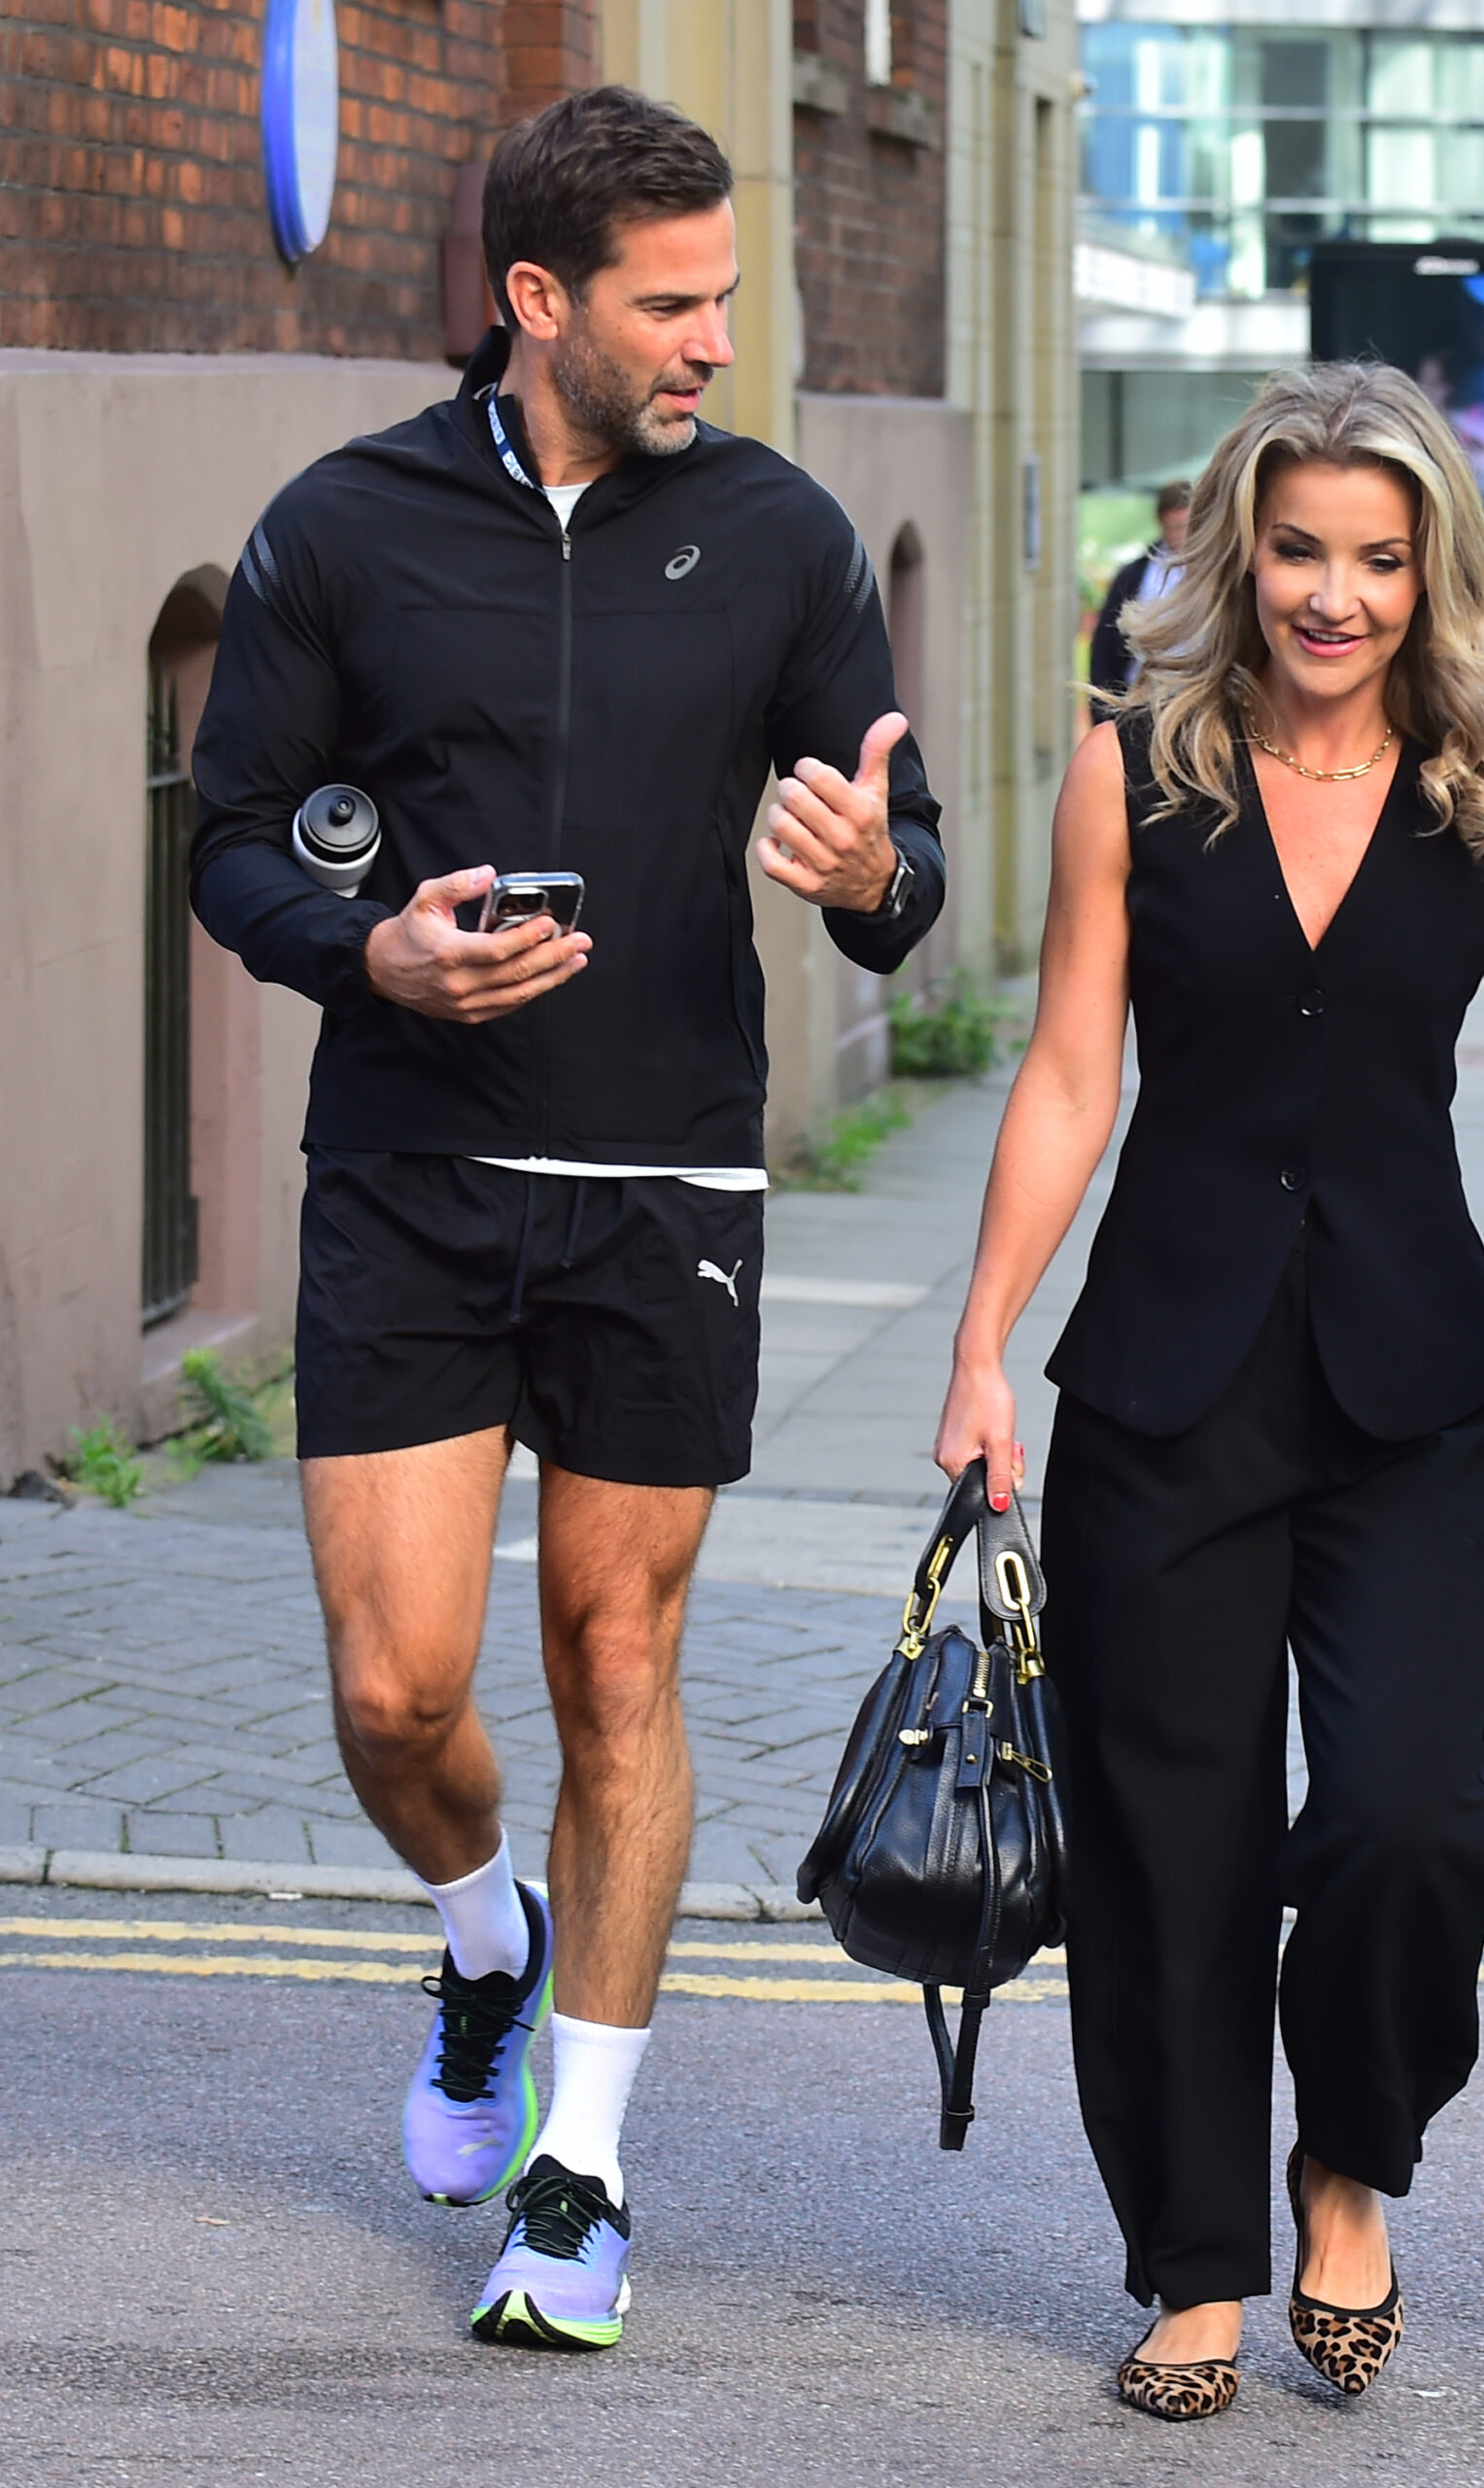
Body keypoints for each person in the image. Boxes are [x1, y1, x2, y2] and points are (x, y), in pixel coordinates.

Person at [190, 86, 943, 2353]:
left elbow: (906, 869)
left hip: (663, 1182)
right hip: (410, 1171)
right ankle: (481, 1937)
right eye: (673, 302)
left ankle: (581, 2166)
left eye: (726, 297)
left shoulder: (784, 535)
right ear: (539, 299)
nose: (716, 338)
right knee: (394, 1685)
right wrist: (369, 950)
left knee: (617, 1664)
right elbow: (231, 839)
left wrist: (871, 877)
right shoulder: (345, 525)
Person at [934, 363, 1484, 2420]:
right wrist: (981, 1344)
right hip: (1163, 1384)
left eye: (1374, 558)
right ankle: (1191, 2264)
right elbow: (1068, 1074)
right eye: (1295, 551)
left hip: (1412, 1386)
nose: (1330, 595)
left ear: (1430, 572)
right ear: (1234, 551)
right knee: (1166, 1842)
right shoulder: (1132, 773)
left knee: (1403, 1814)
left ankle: (1346, 2154)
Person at [1088, 482, 1191, 701]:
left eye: (1185, 526)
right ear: (1160, 523)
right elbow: (1106, 642)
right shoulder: (1135, 575)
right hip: (1143, 693)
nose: (1180, 536)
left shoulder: (1215, 573)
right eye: (1174, 527)